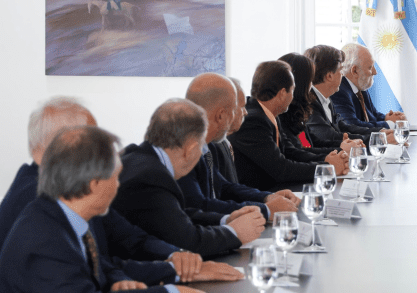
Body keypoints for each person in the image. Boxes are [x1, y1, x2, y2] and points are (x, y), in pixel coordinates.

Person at [0, 125, 207, 293]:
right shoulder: (43, 237)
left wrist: (167, 272)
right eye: (116, 178)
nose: (118, 186)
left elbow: (102, 267)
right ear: (94, 183)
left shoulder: (59, 218)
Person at [0, 97, 239, 284]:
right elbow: (89, 278)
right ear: (62, 143)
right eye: (92, 140)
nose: (100, 150)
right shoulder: (35, 198)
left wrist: (178, 258)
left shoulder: (70, 185)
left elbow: (128, 237)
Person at [112, 99, 266, 257]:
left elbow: (175, 214)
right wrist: (234, 233)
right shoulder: (152, 177)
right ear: (191, 150)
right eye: (201, 147)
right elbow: (189, 242)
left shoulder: (135, 155)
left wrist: (226, 219)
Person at [181, 73, 300, 220]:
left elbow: (224, 186)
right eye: (239, 108)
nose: (245, 112)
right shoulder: (183, 150)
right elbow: (200, 206)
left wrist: (267, 197)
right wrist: (265, 210)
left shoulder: (207, 143)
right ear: (221, 115)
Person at [228, 60, 349, 190]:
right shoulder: (254, 121)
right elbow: (281, 169)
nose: (293, 96)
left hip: (277, 188)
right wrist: (327, 168)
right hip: (262, 194)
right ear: (282, 94)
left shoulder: (269, 114)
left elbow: (291, 152)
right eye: (292, 90)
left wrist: (328, 159)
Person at [303, 44, 370, 146]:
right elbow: (329, 136)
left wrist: (379, 133)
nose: (342, 74)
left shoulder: (326, 99)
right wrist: (373, 139)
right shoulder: (309, 102)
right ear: (329, 76)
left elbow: (344, 127)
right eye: (340, 70)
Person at [331, 43, 406, 132]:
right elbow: (352, 126)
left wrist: (388, 117)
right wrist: (390, 123)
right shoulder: (339, 91)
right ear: (354, 71)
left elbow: (373, 115)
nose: (375, 72)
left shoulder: (360, 85)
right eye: (370, 67)